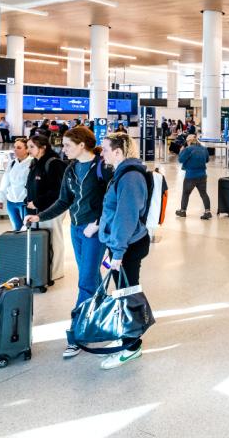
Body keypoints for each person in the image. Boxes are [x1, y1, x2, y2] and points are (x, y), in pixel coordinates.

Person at [25, 127, 110, 357]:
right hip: (76, 227)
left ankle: (77, 332)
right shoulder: (71, 168)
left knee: (85, 281)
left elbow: (112, 201)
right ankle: (101, 318)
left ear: (82, 145)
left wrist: (99, 222)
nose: (64, 149)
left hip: (95, 230)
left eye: (68, 145)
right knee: (91, 276)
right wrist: (40, 215)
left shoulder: (102, 168)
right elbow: (64, 200)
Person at [96, 132, 151, 370]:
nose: (102, 153)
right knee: (121, 291)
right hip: (120, 244)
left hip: (127, 246)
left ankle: (131, 346)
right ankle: (126, 336)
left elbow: (125, 218)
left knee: (126, 293)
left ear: (118, 152)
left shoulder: (129, 177)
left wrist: (117, 252)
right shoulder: (121, 174)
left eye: (106, 149)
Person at [25, 135, 67, 280]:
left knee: (54, 240)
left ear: (43, 147)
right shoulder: (35, 163)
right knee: (43, 240)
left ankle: (55, 272)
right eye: (28, 146)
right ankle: (44, 269)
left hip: (52, 209)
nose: (28, 150)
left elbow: (58, 191)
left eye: (32, 147)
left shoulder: (54, 164)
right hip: (37, 210)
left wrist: (37, 202)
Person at [0, 138, 32, 231]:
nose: (15, 150)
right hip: (11, 202)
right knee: (16, 229)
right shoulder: (12, 163)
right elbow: (5, 182)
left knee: (27, 230)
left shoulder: (32, 163)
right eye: (14, 147)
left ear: (27, 149)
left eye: (19, 148)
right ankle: (18, 246)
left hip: (25, 202)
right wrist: (0, 199)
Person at [176, 134, 212, 220]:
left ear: (189, 141)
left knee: (186, 193)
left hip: (190, 176)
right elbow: (207, 160)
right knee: (203, 193)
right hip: (202, 175)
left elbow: (180, 160)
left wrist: (181, 151)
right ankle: (207, 212)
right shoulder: (204, 149)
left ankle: (183, 211)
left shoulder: (188, 149)